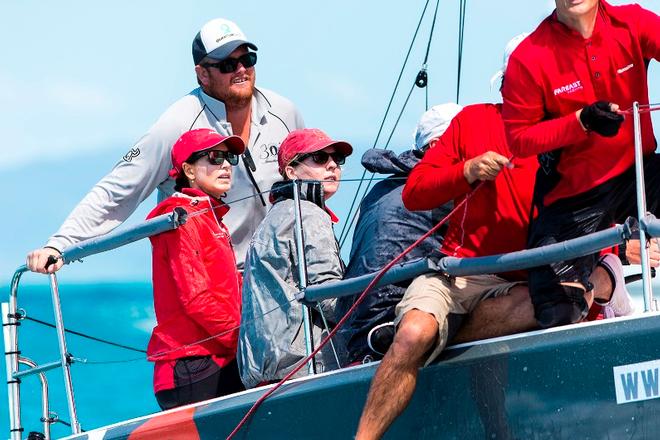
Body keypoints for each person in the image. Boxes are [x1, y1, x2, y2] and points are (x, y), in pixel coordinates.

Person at [355, 32, 638, 439]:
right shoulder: (472, 121)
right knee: (413, 334)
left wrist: (610, 264)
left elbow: (602, 214)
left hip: (531, 284)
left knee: (548, 303)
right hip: (464, 274)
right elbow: (415, 193)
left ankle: (439, 341)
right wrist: (465, 171)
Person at [26, 18, 303, 274]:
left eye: (248, 59)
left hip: (281, 279)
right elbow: (117, 191)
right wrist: (59, 244)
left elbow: (310, 180)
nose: (241, 70)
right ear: (202, 75)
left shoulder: (284, 111)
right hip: (213, 284)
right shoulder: (176, 123)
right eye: (227, 65)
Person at [502, 0, 660, 327]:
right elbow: (519, 138)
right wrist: (581, 121)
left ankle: (606, 277)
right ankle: (600, 283)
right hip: (574, 197)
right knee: (556, 311)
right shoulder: (529, 56)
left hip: (640, 174)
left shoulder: (633, 22)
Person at [336, 103, 462, 364]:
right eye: (469, 138)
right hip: (391, 324)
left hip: (353, 329)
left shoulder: (382, 187)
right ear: (437, 146)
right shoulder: (442, 188)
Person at [238, 128, 352, 389]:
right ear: (291, 171)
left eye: (337, 160)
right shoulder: (308, 213)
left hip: (268, 370)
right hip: (305, 368)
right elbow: (328, 296)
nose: (332, 165)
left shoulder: (276, 215)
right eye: (320, 158)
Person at [146, 128, 245, 410]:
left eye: (229, 158)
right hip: (194, 363)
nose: (225, 165)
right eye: (214, 157)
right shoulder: (180, 217)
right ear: (188, 169)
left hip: (217, 355)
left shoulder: (209, 215)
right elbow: (196, 298)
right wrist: (242, 339)